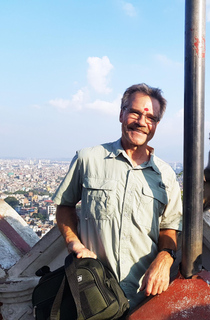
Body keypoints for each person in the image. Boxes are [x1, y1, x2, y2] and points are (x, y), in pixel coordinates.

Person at [53, 83, 183, 310]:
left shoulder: (165, 175)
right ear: (121, 114)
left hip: (143, 297)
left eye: (150, 118)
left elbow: (169, 226)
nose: (142, 122)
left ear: (156, 125)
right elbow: (64, 206)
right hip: (92, 295)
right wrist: (74, 244)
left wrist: (165, 257)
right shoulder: (89, 159)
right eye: (135, 112)